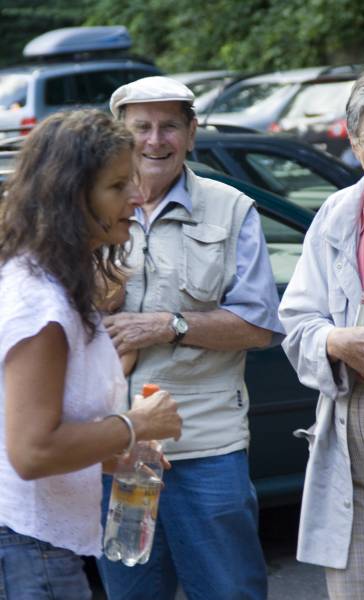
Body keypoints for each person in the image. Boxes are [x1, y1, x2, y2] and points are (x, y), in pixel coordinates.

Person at [96, 75, 284, 600]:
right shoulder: (91, 209)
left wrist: (169, 325)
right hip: (117, 447)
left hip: (207, 447)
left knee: (228, 592)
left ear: (192, 133)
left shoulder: (230, 207)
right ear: (119, 135)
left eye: (170, 127)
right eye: (141, 128)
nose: (156, 140)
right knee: (131, 593)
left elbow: (260, 325)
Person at [0, 109, 182, 600]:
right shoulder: (40, 303)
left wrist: (114, 454)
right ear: (70, 196)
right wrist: (135, 425)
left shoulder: (48, 281)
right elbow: (31, 452)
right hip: (28, 544)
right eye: (118, 185)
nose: (137, 197)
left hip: (36, 542)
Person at [279, 63, 364, 599]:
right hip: (353, 430)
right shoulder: (336, 214)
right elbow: (297, 320)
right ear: (352, 140)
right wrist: (336, 341)